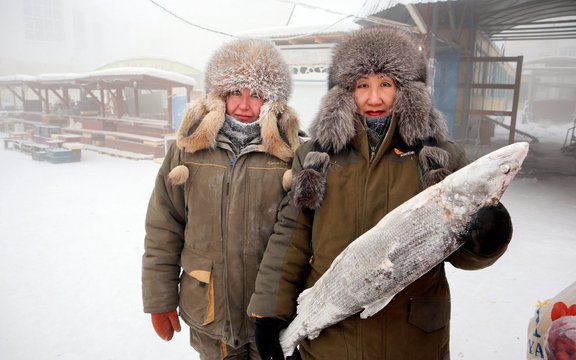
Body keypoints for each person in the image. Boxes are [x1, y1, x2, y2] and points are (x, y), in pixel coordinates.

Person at [247, 27, 513, 360]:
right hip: (332, 338)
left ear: (407, 90)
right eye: (362, 86)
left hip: (412, 340)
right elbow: (292, 235)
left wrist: (486, 239)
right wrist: (270, 314)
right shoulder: (317, 157)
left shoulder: (441, 157)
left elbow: (459, 253)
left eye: (385, 84)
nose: (374, 99)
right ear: (345, 92)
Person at [142, 37, 302, 360]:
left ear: (272, 101)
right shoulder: (188, 149)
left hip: (271, 318)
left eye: (255, 95)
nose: (244, 105)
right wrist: (159, 299)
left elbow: (307, 238)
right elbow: (164, 226)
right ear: (219, 95)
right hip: (209, 315)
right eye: (235, 93)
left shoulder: (293, 154)